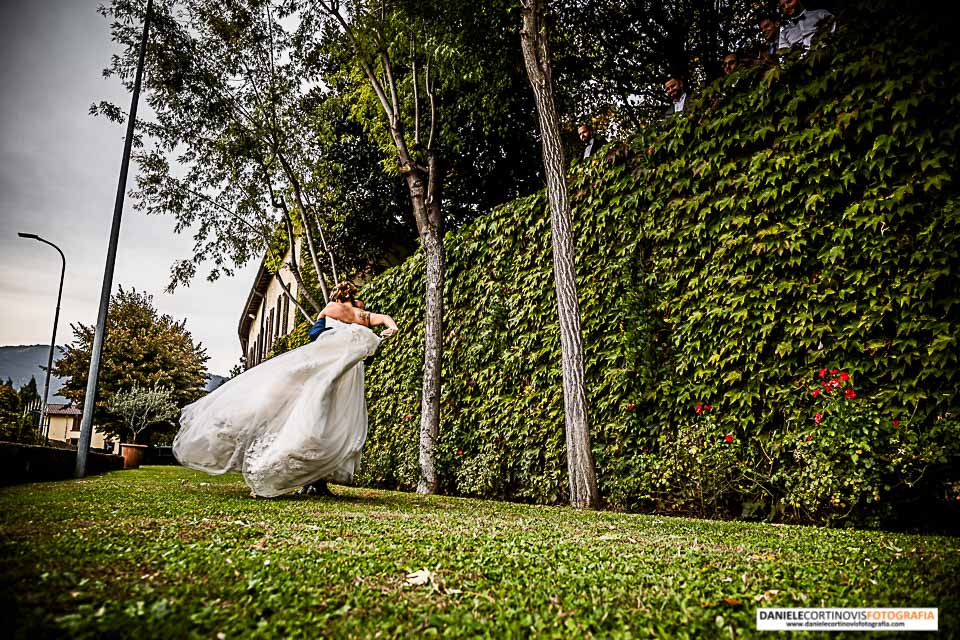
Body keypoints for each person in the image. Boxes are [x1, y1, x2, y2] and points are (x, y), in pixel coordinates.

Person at [173, 281, 398, 498]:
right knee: (318, 419)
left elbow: (316, 334)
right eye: (360, 302)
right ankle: (298, 476)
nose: (363, 306)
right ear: (353, 300)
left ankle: (312, 479)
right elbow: (382, 319)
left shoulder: (332, 309)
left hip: (332, 374)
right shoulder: (358, 317)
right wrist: (391, 328)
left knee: (318, 419)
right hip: (335, 377)